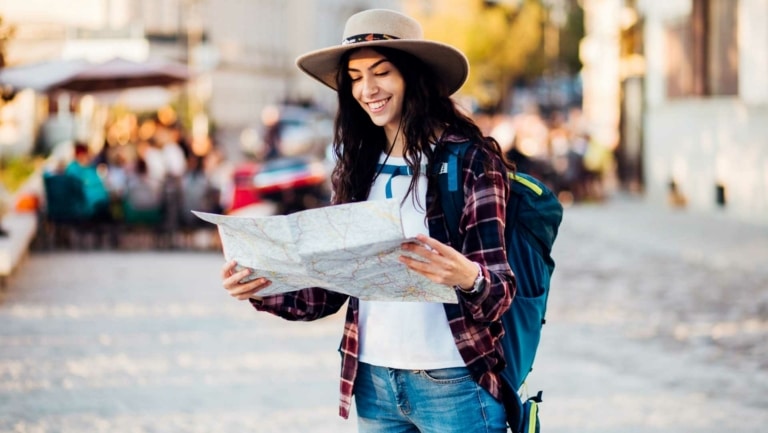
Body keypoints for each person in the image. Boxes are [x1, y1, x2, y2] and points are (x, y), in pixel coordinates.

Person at [221, 9, 515, 433]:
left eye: (381, 72)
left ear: (414, 77)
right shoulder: (356, 165)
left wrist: (466, 275)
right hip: (373, 384)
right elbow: (329, 290)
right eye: (356, 77)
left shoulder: (469, 161)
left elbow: (501, 293)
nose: (367, 89)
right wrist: (259, 285)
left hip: (453, 383)